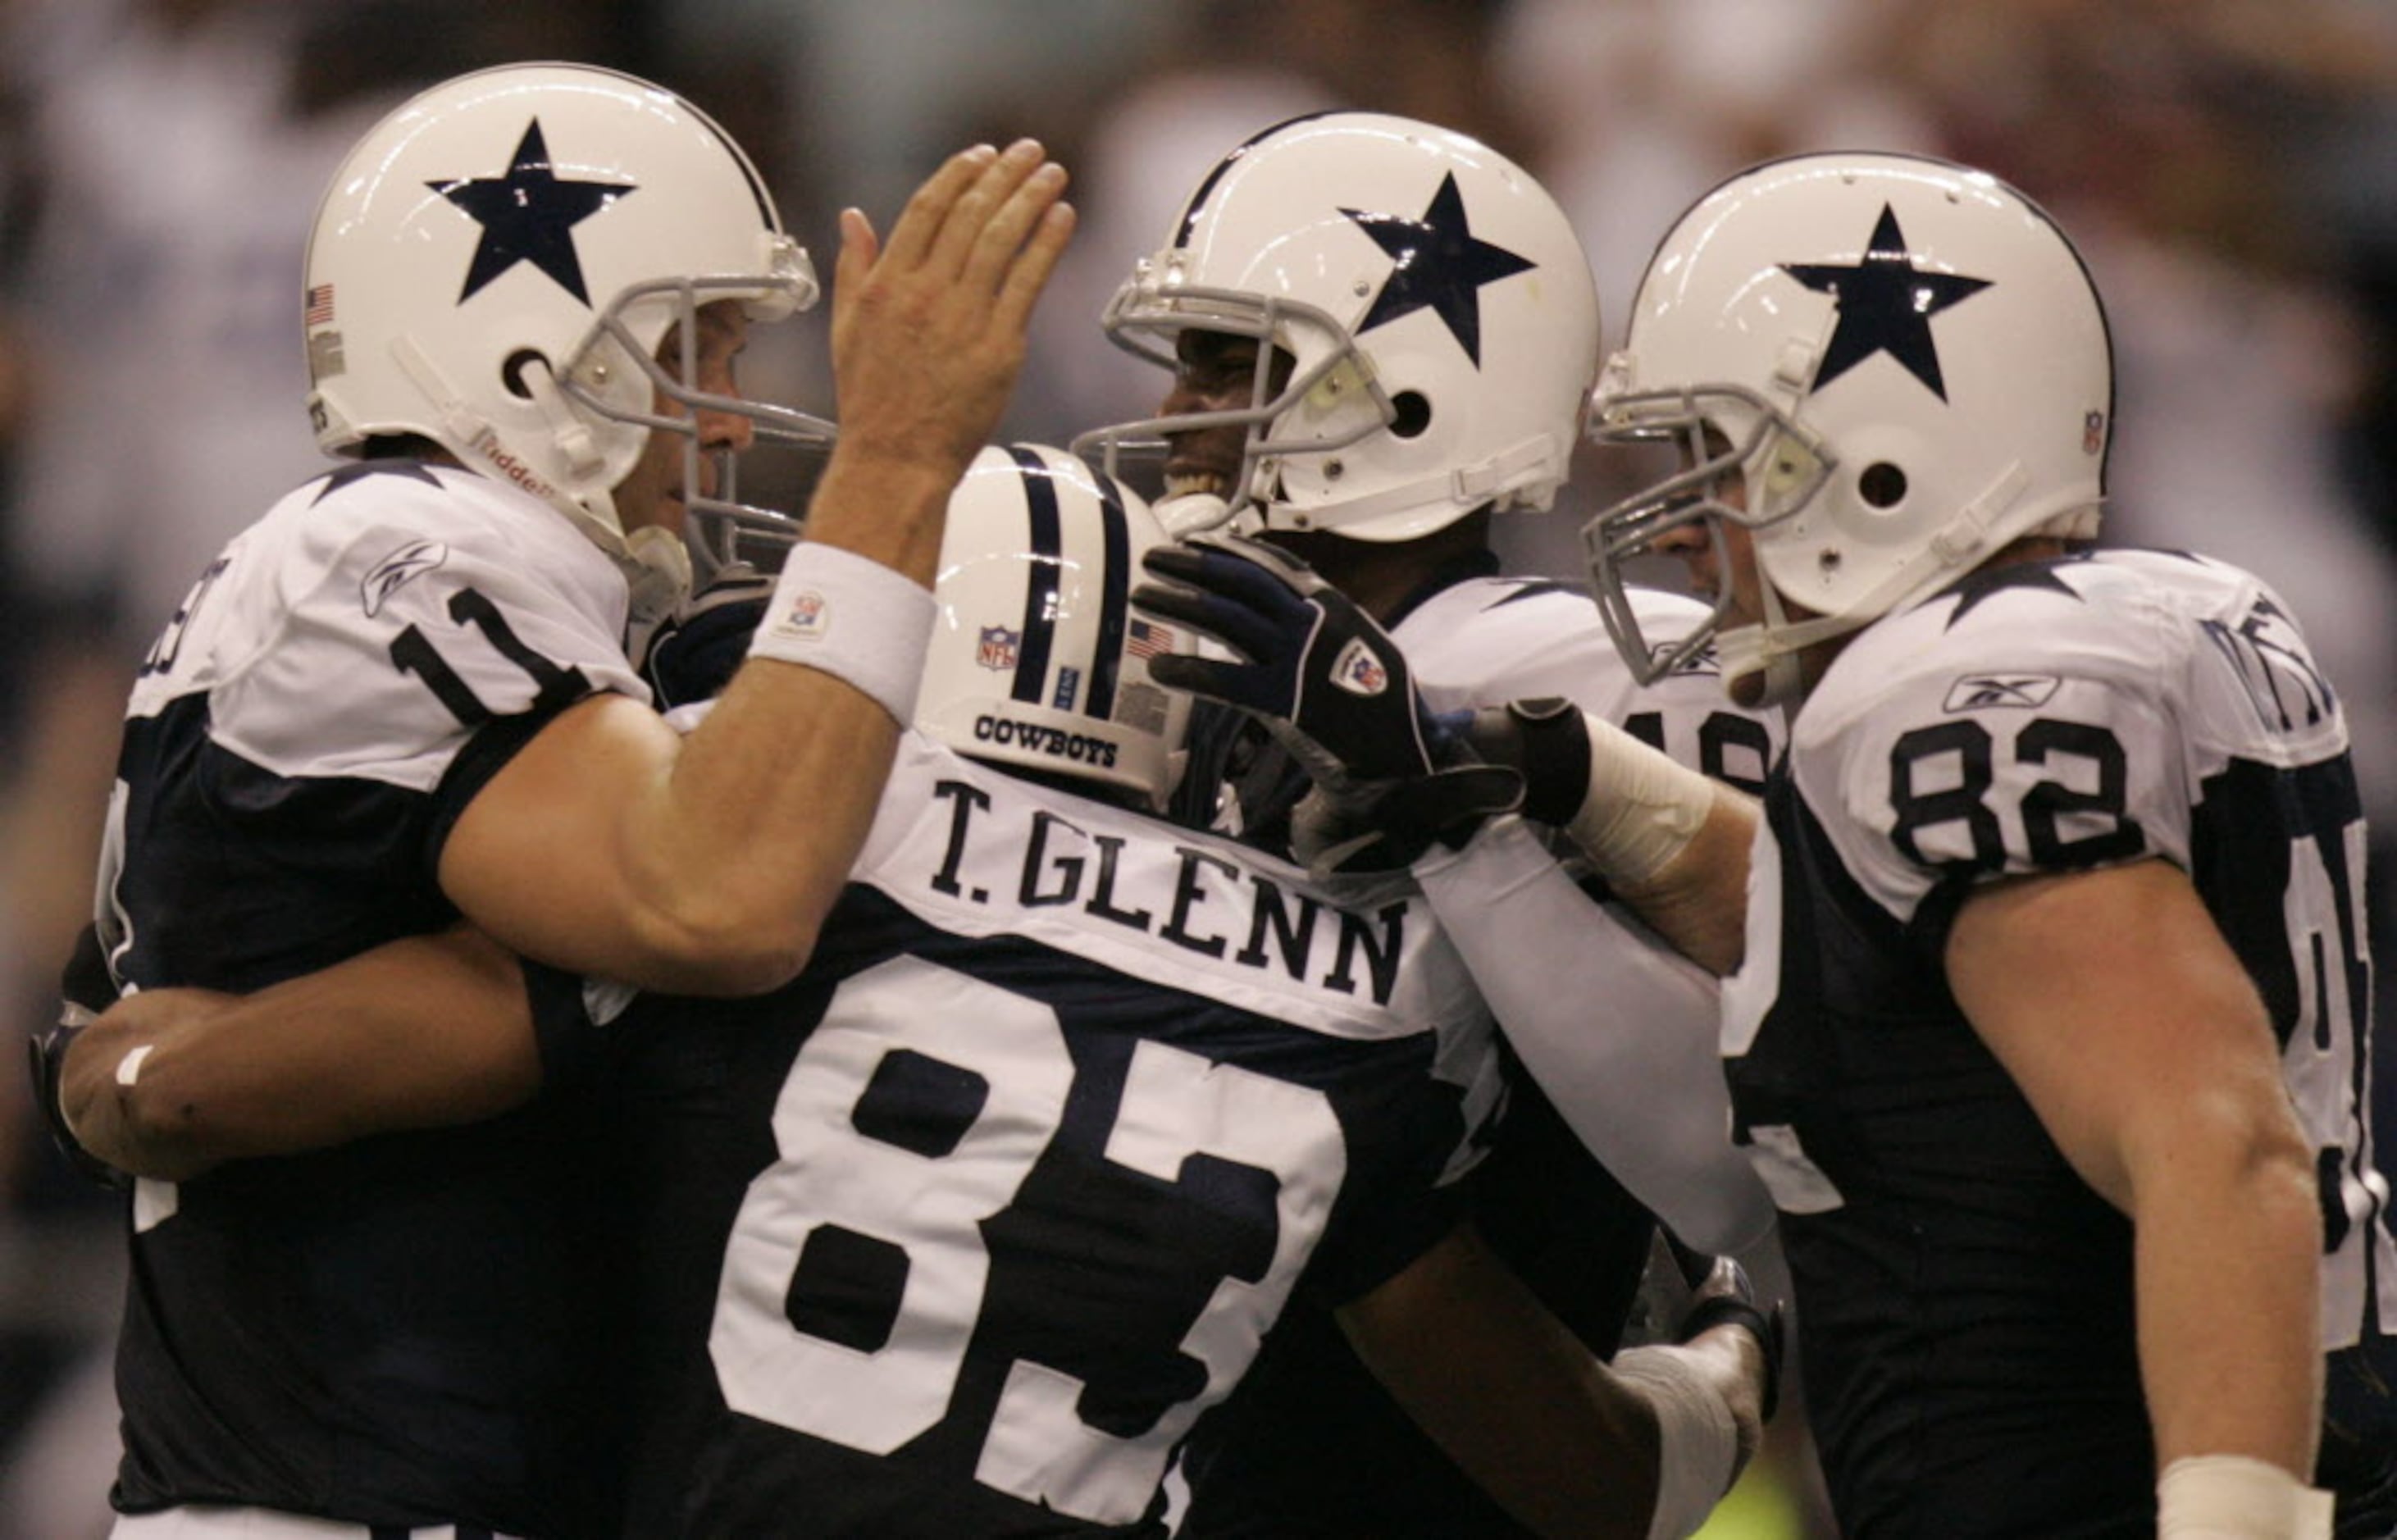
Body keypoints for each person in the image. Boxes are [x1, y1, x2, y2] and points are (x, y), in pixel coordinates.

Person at [55, 445, 1780, 1540]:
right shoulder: (1355, 1005)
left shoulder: (780, 910)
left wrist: (115, 1067)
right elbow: (1593, 1479)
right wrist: (1731, 1361)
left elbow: (208, 1090)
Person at [1172, 148, 2397, 1538]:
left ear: (1881, 460)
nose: (1684, 534)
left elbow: (2220, 1144)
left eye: (1719, 457)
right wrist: (1569, 781)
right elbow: (1859, 996)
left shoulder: (1946, 694)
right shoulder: (2161, 619)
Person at [27, 60, 1076, 1539]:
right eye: (697, 346)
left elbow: (142, 1058)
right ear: (535, 358)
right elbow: (716, 897)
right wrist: (899, 460)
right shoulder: (393, 545)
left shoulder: (425, 586)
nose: (729, 420)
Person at [1073, 111, 1780, 1536]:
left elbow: (1756, 1135)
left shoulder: (1582, 673)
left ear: (1401, 395)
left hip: (1428, 1451)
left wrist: (1481, 812)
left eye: (1227, 362)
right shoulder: (1160, 676)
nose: (1171, 416)